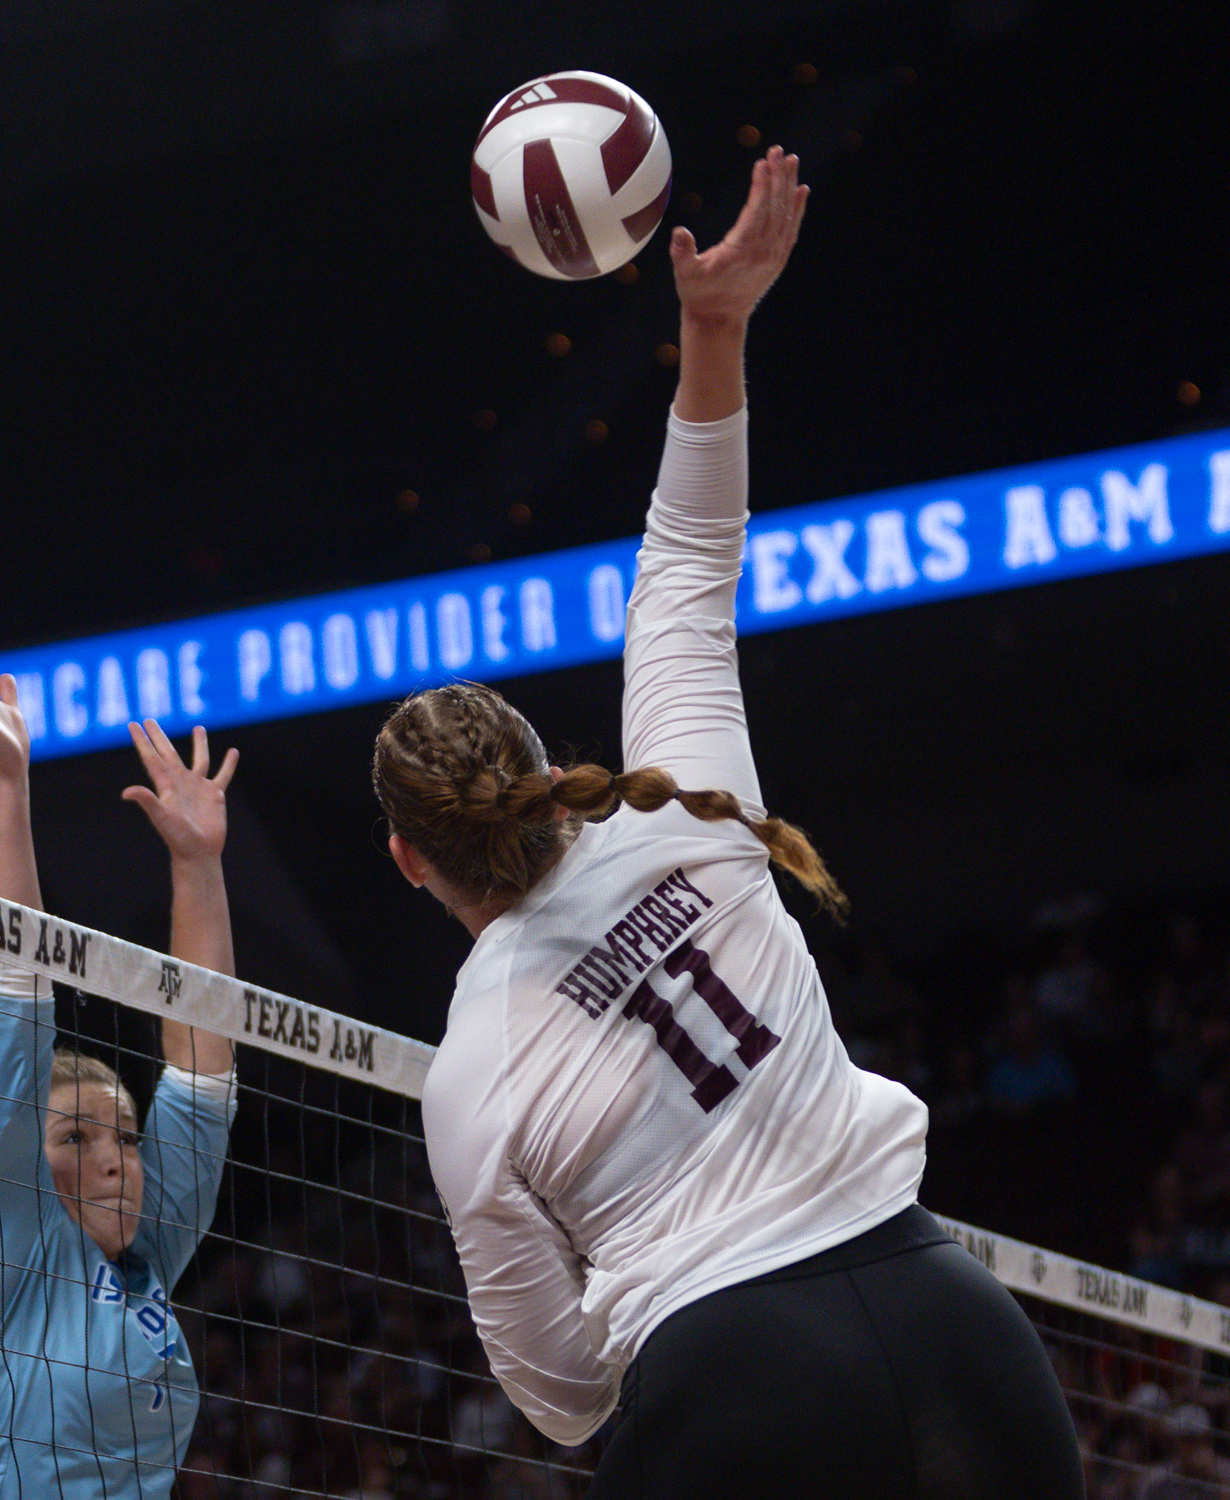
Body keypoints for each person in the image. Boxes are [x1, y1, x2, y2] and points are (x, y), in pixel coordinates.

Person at [372, 150, 1082, 1498]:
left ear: (409, 861)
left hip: (732, 1387)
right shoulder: (683, 806)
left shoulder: (470, 1070)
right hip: (952, 1323)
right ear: (543, 762)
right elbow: (689, 562)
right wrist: (713, 326)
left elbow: (564, 1399)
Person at [0, 631, 238, 1499]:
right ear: (15, 1162)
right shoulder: (6, 1237)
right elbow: (13, 983)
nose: (115, 1155)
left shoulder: (143, 1254)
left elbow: (203, 1056)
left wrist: (197, 865)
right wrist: (10, 786)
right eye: (76, 1136)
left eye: (124, 1136)